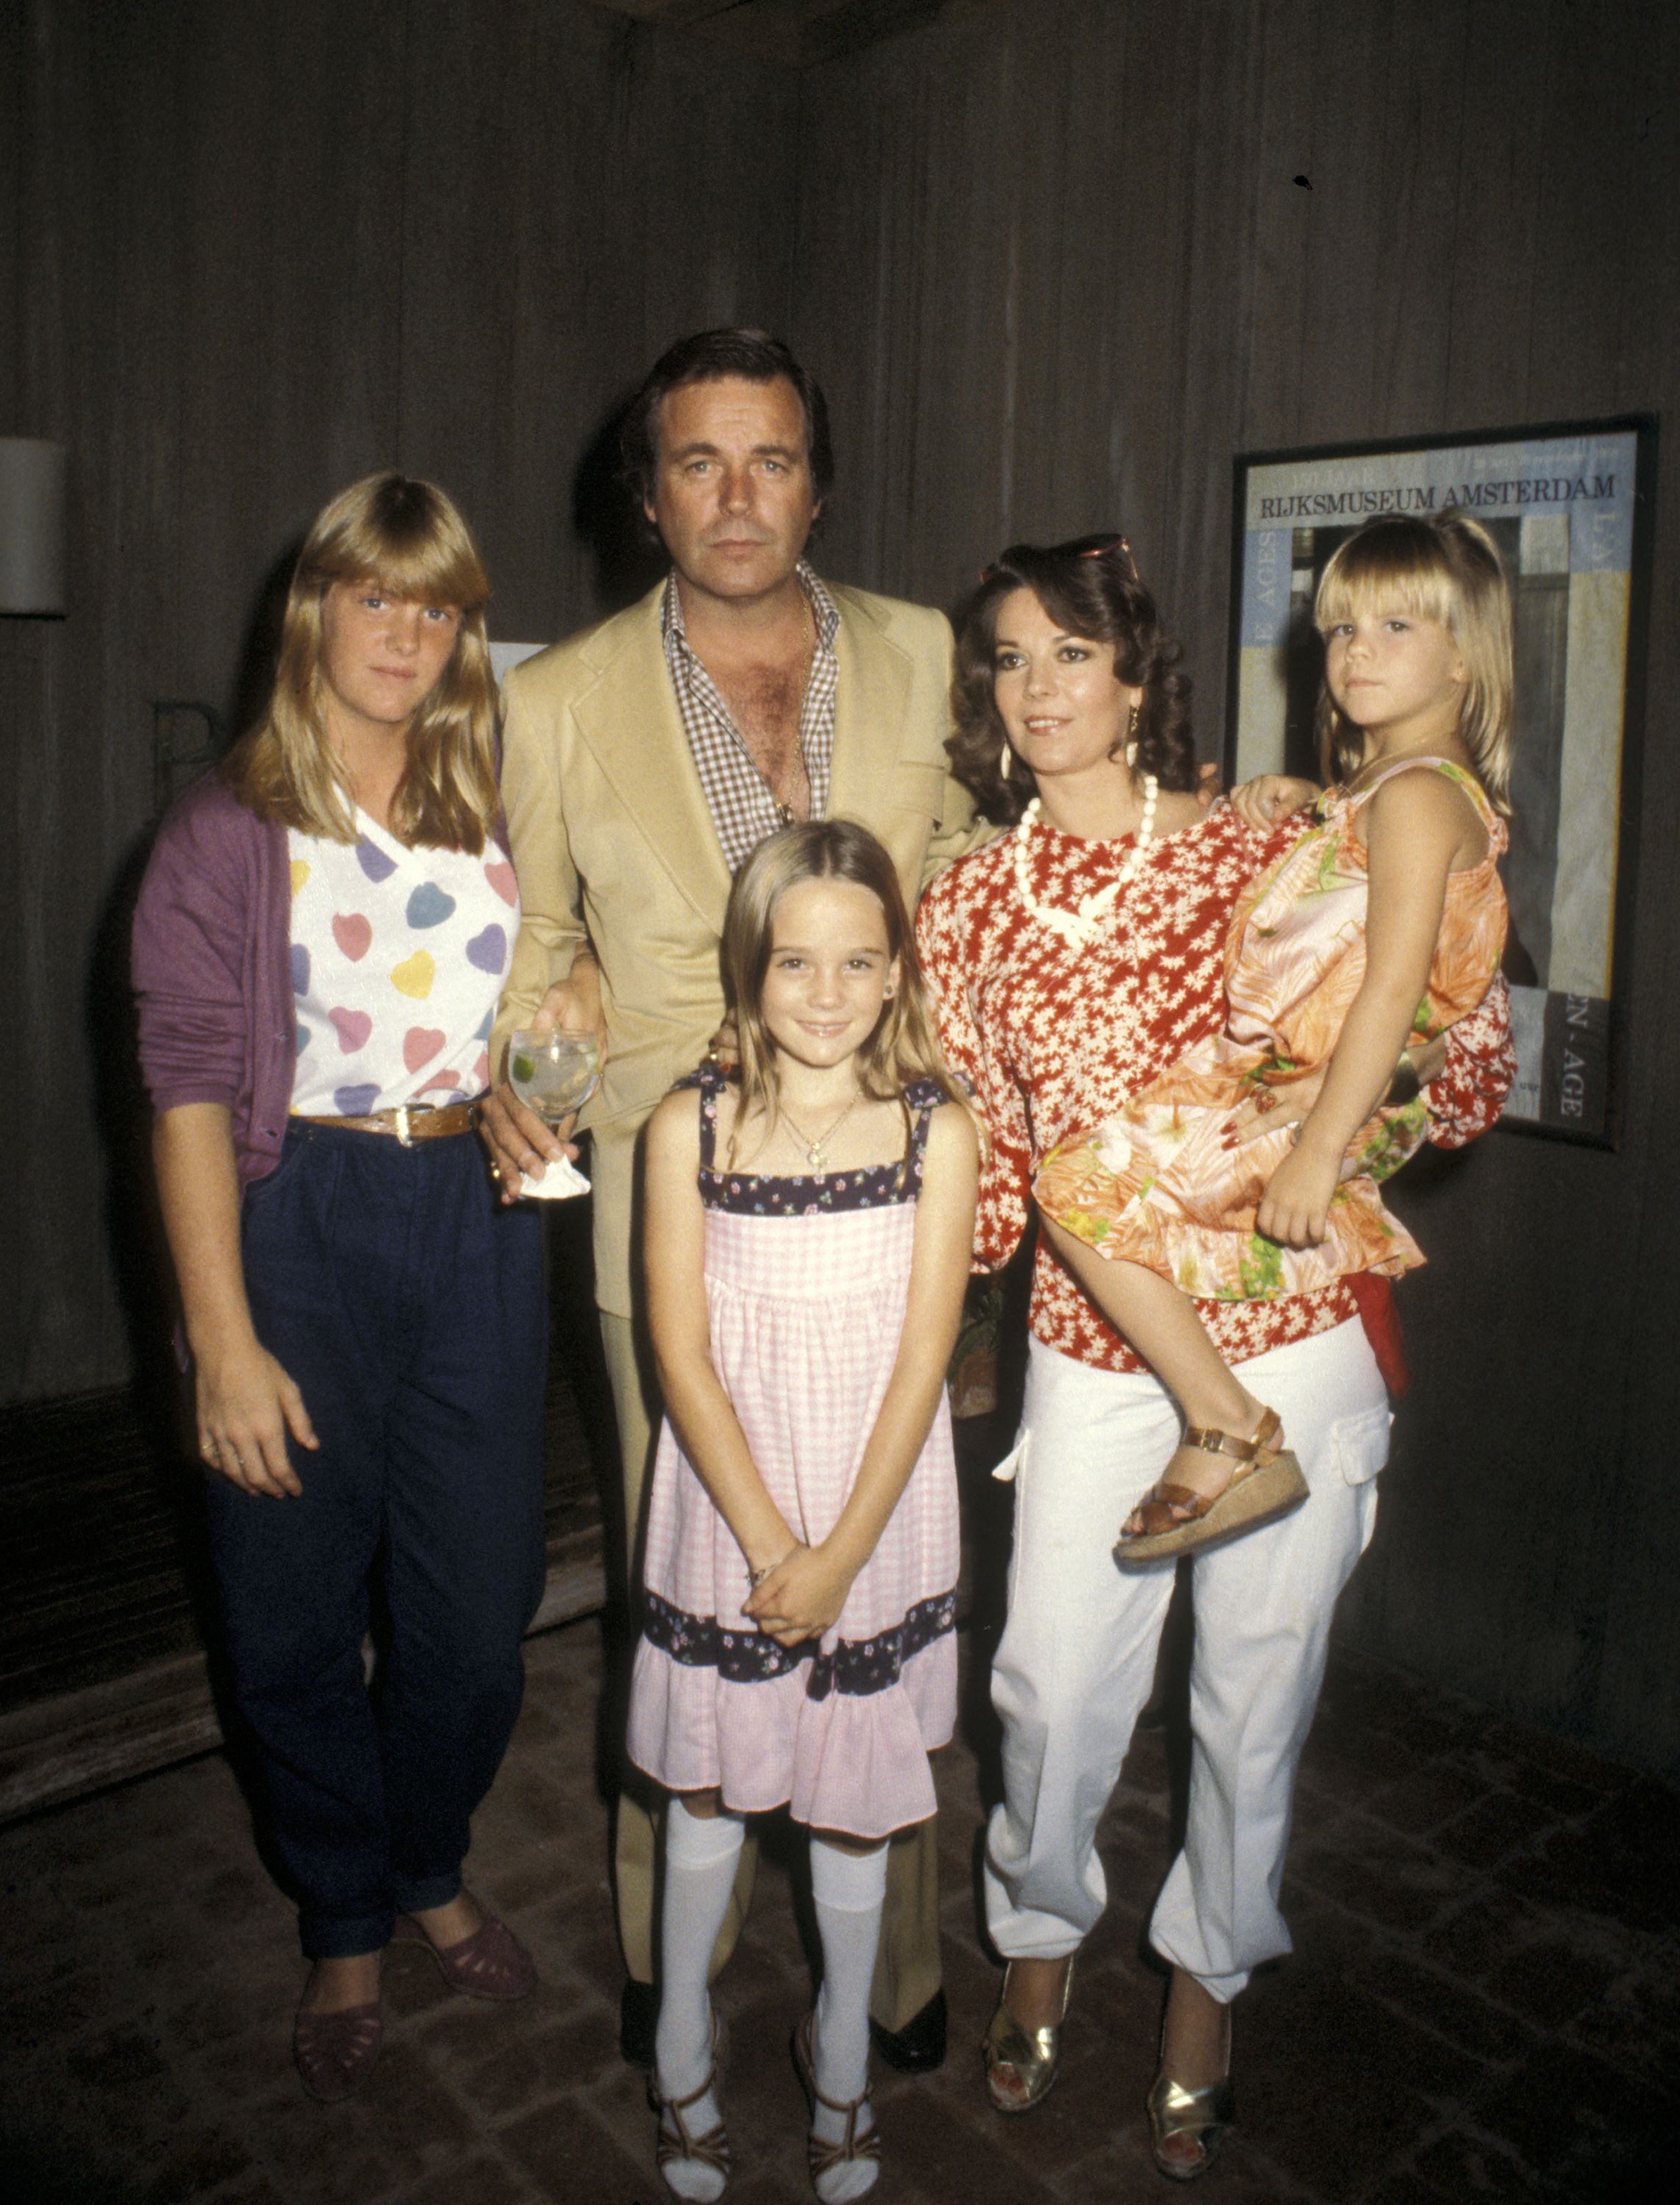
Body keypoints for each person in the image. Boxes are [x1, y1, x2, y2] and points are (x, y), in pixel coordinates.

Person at [913, 534, 1514, 2179]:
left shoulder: (1259, 840)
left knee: (1254, 1698)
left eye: (1068, 655)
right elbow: (971, 1157)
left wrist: (1382, 1102)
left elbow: (1436, 1066)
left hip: (1296, 1326)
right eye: (1008, 662)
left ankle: (1206, 1977)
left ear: (1133, 673)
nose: (1037, 690)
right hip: (1088, 1346)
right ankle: (1041, 1931)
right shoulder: (960, 903)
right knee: (1041, 1677)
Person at [476, 329, 988, 2073]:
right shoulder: (551, 703)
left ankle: (898, 1976)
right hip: (671, 1231)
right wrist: (530, 1070)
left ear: (819, 481)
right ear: (646, 496)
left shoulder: (928, 653)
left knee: (887, 1576)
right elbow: (535, 967)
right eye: (698, 462)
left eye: (770, 458)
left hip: (894, 1222)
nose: (737, 496)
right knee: (680, 1584)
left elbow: (995, 888)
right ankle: (659, 1956)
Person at [132, 474, 546, 2103]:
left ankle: (429, 1852)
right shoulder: (226, 827)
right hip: (291, 1215)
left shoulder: (488, 806)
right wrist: (221, 1344)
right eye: (374, 595)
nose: (405, 630)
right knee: (290, 1611)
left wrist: (531, 1084)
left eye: (436, 604)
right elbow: (179, 1096)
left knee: (476, 1616)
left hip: (476, 1215)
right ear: (314, 608)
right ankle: (348, 1910)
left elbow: (530, 1005)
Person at [1032, 513, 1512, 1562]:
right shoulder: (1385, 792)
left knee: (1073, 1190)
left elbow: (1390, 986)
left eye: (1395, 626)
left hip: (1321, 1096)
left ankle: (1233, 1427)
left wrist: (1317, 1152)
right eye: (1340, 630)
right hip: (1312, 1080)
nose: (1357, 653)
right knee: (1106, 1194)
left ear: (1466, 657)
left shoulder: (1420, 796)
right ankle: (1224, 1416)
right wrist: (1308, 805)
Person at [627, 822, 977, 2203]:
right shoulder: (688, 1122)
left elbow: (923, 1358)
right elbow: (680, 1352)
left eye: (856, 962)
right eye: (793, 964)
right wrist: (777, 1550)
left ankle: (839, 2055)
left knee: (849, 1795)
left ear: (896, 973)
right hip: (732, 1505)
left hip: (873, 1506)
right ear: (748, 969)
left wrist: (840, 1557)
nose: (825, 993)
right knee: (715, 1771)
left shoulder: (932, 1128)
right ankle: (678, 2050)